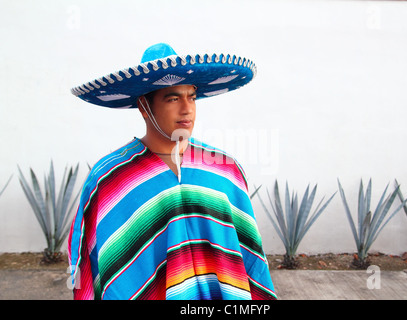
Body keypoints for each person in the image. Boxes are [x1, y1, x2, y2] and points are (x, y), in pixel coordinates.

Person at [68, 43, 277, 300]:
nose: (187, 108)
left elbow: (248, 259)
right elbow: (95, 264)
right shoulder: (111, 178)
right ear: (144, 106)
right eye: (173, 98)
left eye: (192, 96)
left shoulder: (224, 169)